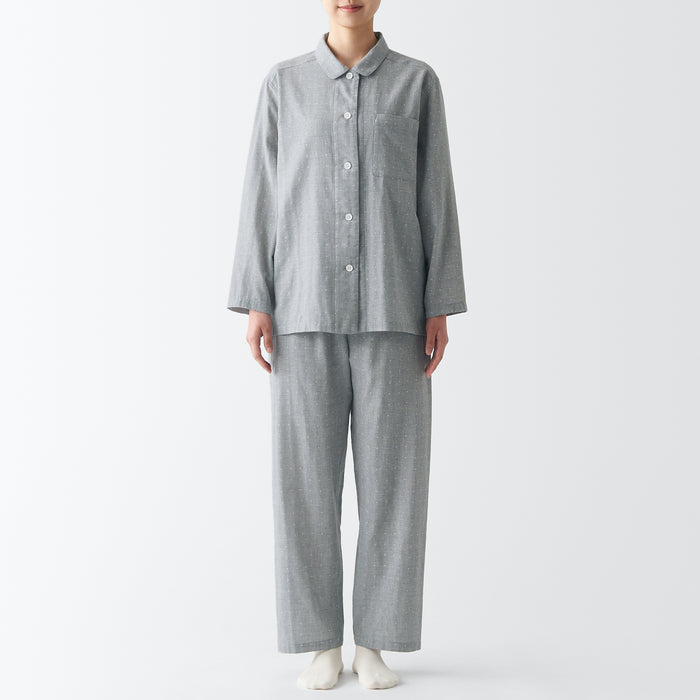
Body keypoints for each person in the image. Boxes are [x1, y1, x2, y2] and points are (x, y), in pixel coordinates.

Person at [227, 0, 467, 690]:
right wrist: (257, 297)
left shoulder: (417, 83)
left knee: (395, 485)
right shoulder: (283, 84)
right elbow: (261, 194)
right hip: (301, 309)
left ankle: (376, 644)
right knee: (304, 485)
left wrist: (439, 300)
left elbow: (436, 196)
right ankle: (318, 643)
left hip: (396, 309)